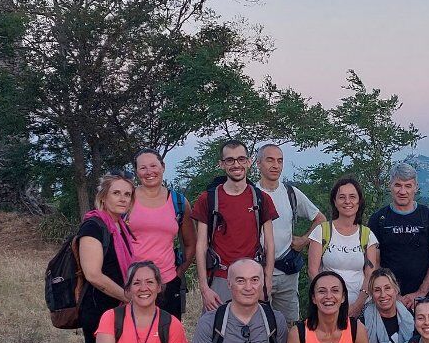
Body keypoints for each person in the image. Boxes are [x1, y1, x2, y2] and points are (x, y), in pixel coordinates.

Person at [192, 139, 279, 313]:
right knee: (216, 333)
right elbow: (201, 245)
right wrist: (204, 288)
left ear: (248, 162)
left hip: (252, 279)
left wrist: (266, 281)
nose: (236, 164)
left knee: (253, 334)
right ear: (222, 164)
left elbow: (269, 244)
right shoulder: (208, 199)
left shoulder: (261, 199)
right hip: (220, 277)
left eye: (241, 159)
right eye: (230, 160)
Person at [255, 142, 325, 324]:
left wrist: (304, 240)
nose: (275, 165)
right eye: (270, 160)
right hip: (257, 271)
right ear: (258, 163)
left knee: (289, 326)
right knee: (258, 325)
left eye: (280, 161)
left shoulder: (291, 193)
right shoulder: (250, 194)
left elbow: (320, 219)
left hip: (287, 272)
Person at [76, 173, 137, 343]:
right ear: (103, 197)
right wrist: (128, 297)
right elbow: (93, 275)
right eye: (116, 193)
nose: (123, 198)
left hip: (119, 309)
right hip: (98, 310)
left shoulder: (121, 227)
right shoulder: (93, 226)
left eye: (127, 194)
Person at [368, 162, 429, 310]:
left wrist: (420, 292)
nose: (402, 191)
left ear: (416, 187)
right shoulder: (378, 219)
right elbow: (373, 262)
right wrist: (393, 295)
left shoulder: (428, 216)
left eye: (408, 186)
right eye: (398, 185)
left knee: (427, 333)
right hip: (387, 299)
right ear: (390, 185)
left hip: (425, 298)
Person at [128, 148, 195, 319]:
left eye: (153, 166)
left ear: (163, 167)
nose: (149, 172)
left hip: (167, 283)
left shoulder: (179, 202)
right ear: (136, 172)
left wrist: (178, 272)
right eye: (143, 168)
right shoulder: (126, 200)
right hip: (131, 283)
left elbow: (190, 243)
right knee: (134, 340)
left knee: (168, 338)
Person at [307, 176, 379, 318]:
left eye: (352, 196)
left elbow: (371, 274)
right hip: (327, 308)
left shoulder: (366, 234)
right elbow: (312, 271)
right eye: (342, 197)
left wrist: (358, 305)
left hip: (362, 308)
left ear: (359, 201)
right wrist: (328, 301)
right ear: (335, 201)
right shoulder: (322, 231)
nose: (347, 201)